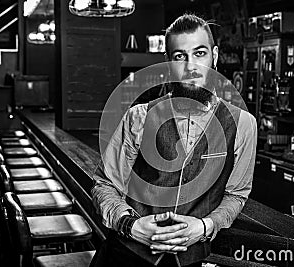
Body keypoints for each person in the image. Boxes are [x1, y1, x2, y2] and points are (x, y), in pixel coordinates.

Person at [90, 13, 257, 267]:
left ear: (215, 55)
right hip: (125, 255)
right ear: (168, 62)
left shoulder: (243, 125)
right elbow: (104, 184)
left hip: (190, 261)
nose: (191, 67)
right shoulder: (140, 116)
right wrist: (131, 225)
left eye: (200, 53)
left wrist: (204, 227)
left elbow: (236, 195)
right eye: (180, 56)